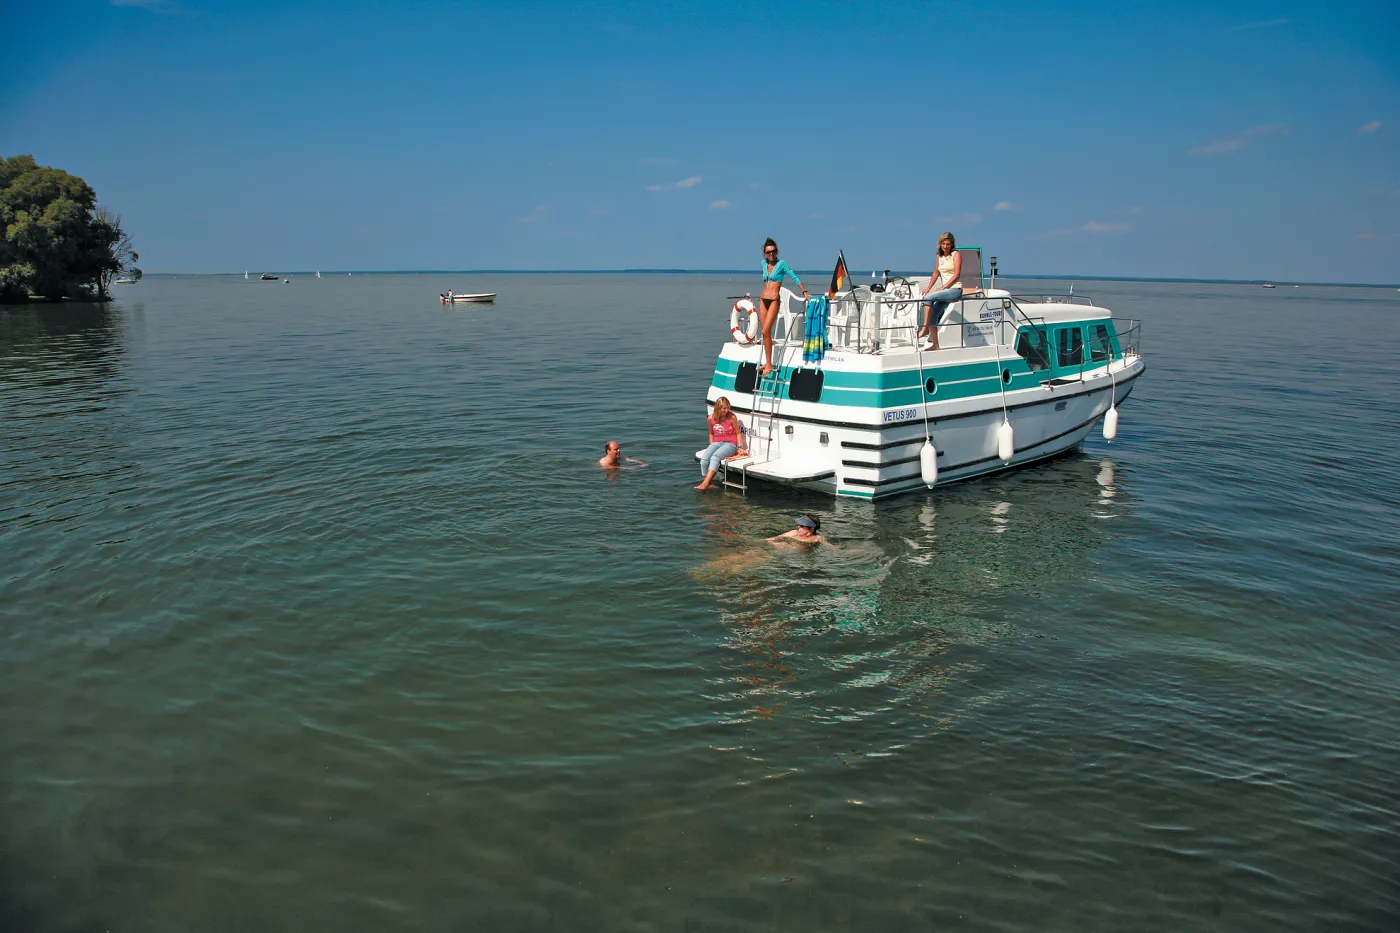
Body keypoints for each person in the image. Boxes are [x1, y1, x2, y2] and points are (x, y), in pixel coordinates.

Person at [759, 238, 809, 375]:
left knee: (765, 331)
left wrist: (804, 291)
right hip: (763, 300)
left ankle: (769, 364)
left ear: (777, 252)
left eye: (773, 251)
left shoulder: (782, 264)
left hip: (774, 300)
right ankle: (767, 361)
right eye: (768, 252)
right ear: (764, 253)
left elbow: (794, 277)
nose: (771, 254)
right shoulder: (763, 264)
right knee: (765, 333)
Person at [918, 231, 963, 351]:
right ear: (940, 244)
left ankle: (924, 328)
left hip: (955, 290)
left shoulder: (956, 254)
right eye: (943, 244)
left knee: (928, 298)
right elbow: (936, 273)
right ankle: (935, 345)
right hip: (946, 291)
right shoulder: (939, 256)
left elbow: (957, 275)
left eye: (948, 244)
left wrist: (944, 287)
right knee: (933, 316)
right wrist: (928, 288)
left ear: (952, 244)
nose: (946, 246)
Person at [695, 396, 747, 491]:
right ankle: (708, 483)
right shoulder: (711, 418)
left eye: (728, 407)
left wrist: (740, 447)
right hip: (717, 443)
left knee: (715, 457)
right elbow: (711, 433)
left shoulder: (732, 417)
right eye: (724, 408)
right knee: (704, 460)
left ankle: (705, 483)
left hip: (730, 444)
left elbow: (738, 433)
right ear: (718, 407)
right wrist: (711, 445)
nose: (726, 410)